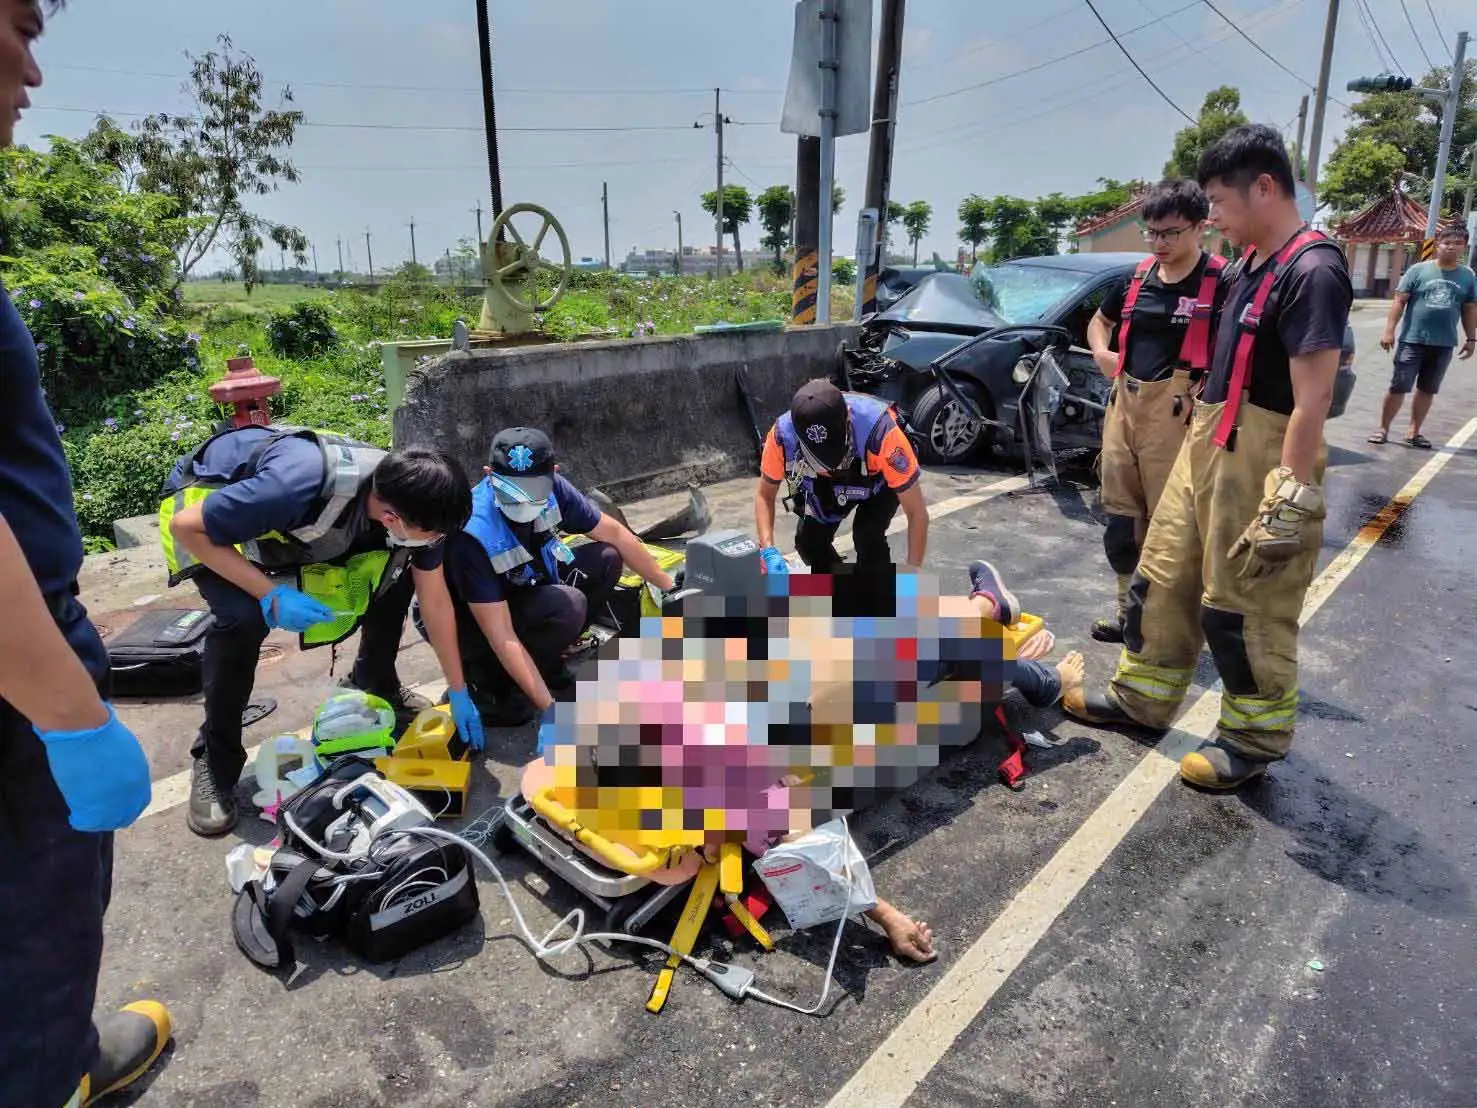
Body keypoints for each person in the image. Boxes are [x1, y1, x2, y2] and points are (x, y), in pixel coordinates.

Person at [0, 3, 175, 1103]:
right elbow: (198, 534)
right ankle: (44, 1070)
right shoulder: (293, 480)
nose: (32, 68)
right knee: (40, 919)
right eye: (14, 26)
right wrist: (70, 714)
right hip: (20, 669)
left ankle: (55, 1053)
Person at [1065, 123, 1352, 790]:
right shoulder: (1251, 263)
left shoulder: (1312, 270)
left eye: (1218, 203)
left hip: (1262, 450)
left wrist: (1291, 489)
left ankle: (1252, 735)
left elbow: (1313, 399)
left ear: (1264, 187)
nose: (1211, 216)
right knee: (1159, 576)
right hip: (1205, 435)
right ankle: (1143, 695)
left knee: (1241, 605)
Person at [162, 430, 480, 836]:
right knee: (243, 618)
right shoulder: (292, 489)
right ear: (393, 519)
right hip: (205, 514)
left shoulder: (411, 497)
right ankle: (214, 760)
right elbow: (186, 527)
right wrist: (271, 594)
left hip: (274, 521)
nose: (436, 542)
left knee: (397, 571)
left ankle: (376, 682)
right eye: (434, 535)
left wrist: (458, 688)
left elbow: (434, 600)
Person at [435, 426, 677, 731]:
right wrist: (552, 711)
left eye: (533, 489)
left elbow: (613, 531)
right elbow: (501, 635)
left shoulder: (555, 490)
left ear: (554, 473)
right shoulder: (474, 532)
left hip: (525, 590)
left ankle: (545, 663)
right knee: (566, 605)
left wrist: (669, 587)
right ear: (488, 475)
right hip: (472, 624)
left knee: (606, 558)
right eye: (510, 490)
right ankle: (491, 683)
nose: (523, 500)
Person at [1086, 179, 1227, 643]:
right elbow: (1099, 322)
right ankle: (1128, 613)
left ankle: (1163, 624)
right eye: (1152, 233)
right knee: (1122, 522)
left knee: (1170, 527)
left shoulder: (1221, 281)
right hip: (1125, 407)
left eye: (1170, 233)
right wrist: (1102, 353)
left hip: (1178, 417)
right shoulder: (1138, 277)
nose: (1159, 242)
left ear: (1200, 228)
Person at [755, 378, 928, 574]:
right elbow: (765, 495)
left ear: (847, 418)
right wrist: (768, 550)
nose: (830, 465)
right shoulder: (781, 437)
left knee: (867, 535)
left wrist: (914, 577)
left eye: (833, 451)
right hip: (825, 485)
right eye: (818, 458)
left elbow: (917, 513)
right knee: (810, 543)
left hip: (880, 481)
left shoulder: (883, 433)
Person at [1370, 225, 1477, 448]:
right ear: (1438, 244)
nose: (1451, 247)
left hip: (1444, 343)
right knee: (1398, 386)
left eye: (1457, 243)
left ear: (1463, 248)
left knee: (1427, 389)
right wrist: (1389, 331)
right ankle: (1382, 429)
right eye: (1447, 243)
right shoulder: (1418, 271)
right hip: (1412, 340)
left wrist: (1471, 338)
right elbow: (1399, 301)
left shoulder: (1467, 276)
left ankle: (1413, 431)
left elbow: (1469, 309)